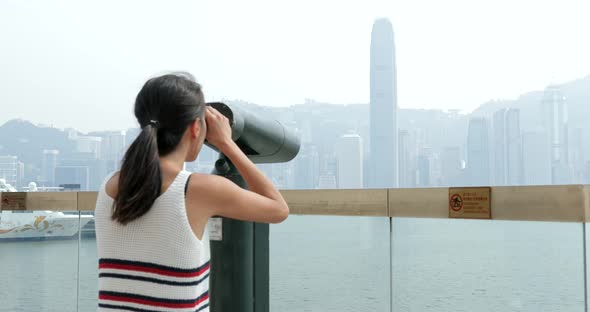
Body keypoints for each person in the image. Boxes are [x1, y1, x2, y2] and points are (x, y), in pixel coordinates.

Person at [94, 72, 289, 312]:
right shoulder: (198, 189)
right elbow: (279, 209)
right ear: (196, 127)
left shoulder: (109, 186)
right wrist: (227, 143)